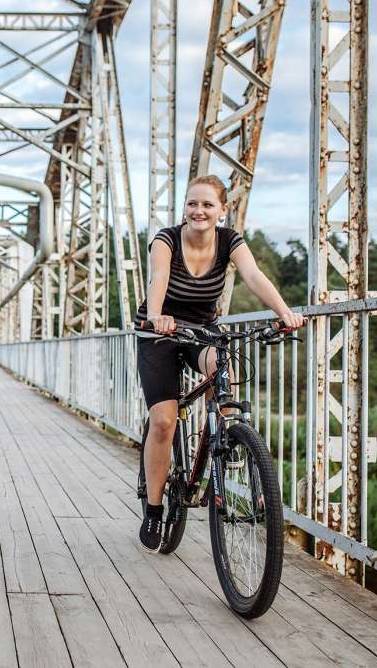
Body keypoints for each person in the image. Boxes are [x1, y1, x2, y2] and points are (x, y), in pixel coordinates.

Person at [135, 174, 305, 552]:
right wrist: (159, 315)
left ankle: (225, 442)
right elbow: (158, 278)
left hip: (201, 331)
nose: (199, 210)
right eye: (192, 203)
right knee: (163, 422)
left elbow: (253, 275)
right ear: (185, 208)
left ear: (222, 210)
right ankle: (154, 507)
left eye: (208, 205)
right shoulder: (166, 239)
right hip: (159, 332)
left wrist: (285, 313)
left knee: (224, 368)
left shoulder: (230, 241)